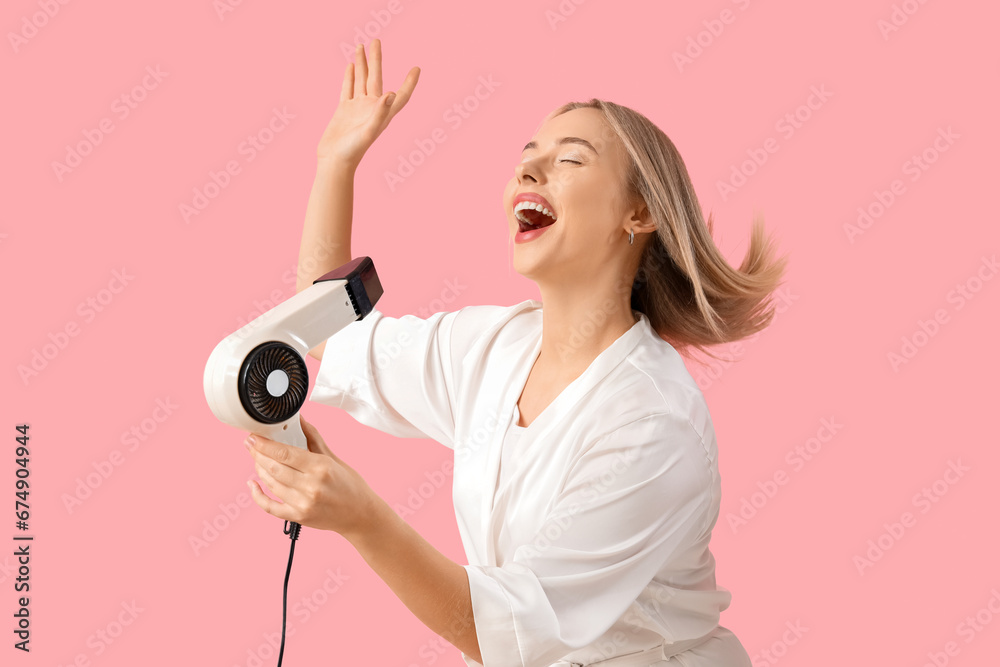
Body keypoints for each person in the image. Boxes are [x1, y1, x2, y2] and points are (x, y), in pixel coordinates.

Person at [243, 39, 787, 667]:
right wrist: (335, 164)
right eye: (528, 156)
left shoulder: (652, 425)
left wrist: (362, 516)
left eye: (571, 160)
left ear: (638, 213)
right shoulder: (493, 348)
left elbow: (501, 633)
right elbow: (329, 331)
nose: (530, 172)